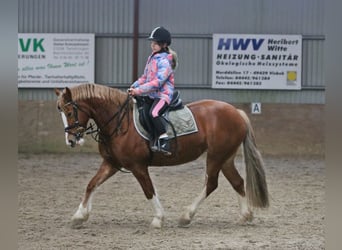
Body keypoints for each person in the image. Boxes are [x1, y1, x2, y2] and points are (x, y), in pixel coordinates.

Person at [128, 26, 178, 155]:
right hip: (152, 95)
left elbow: (158, 82)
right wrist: (134, 86)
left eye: (156, 43)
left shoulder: (165, 62)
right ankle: (152, 138)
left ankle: (164, 139)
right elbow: (145, 77)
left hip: (163, 95)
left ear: (164, 44)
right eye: (152, 42)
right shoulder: (152, 58)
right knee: (142, 111)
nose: (153, 45)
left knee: (154, 113)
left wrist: (139, 91)